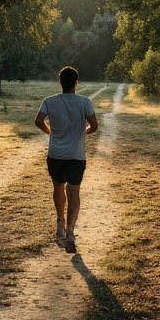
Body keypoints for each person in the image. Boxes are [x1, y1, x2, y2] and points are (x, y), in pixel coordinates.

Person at [34, 66, 98, 253]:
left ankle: (60, 224)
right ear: (76, 83)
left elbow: (38, 121)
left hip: (55, 155)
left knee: (58, 187)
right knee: (74, 194)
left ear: (60, 82)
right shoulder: (85, 102)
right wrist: (82, 132)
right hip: (76, 157)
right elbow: (94, 126)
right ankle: (70, 231)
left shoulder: (49, 101)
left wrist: (50, 132)